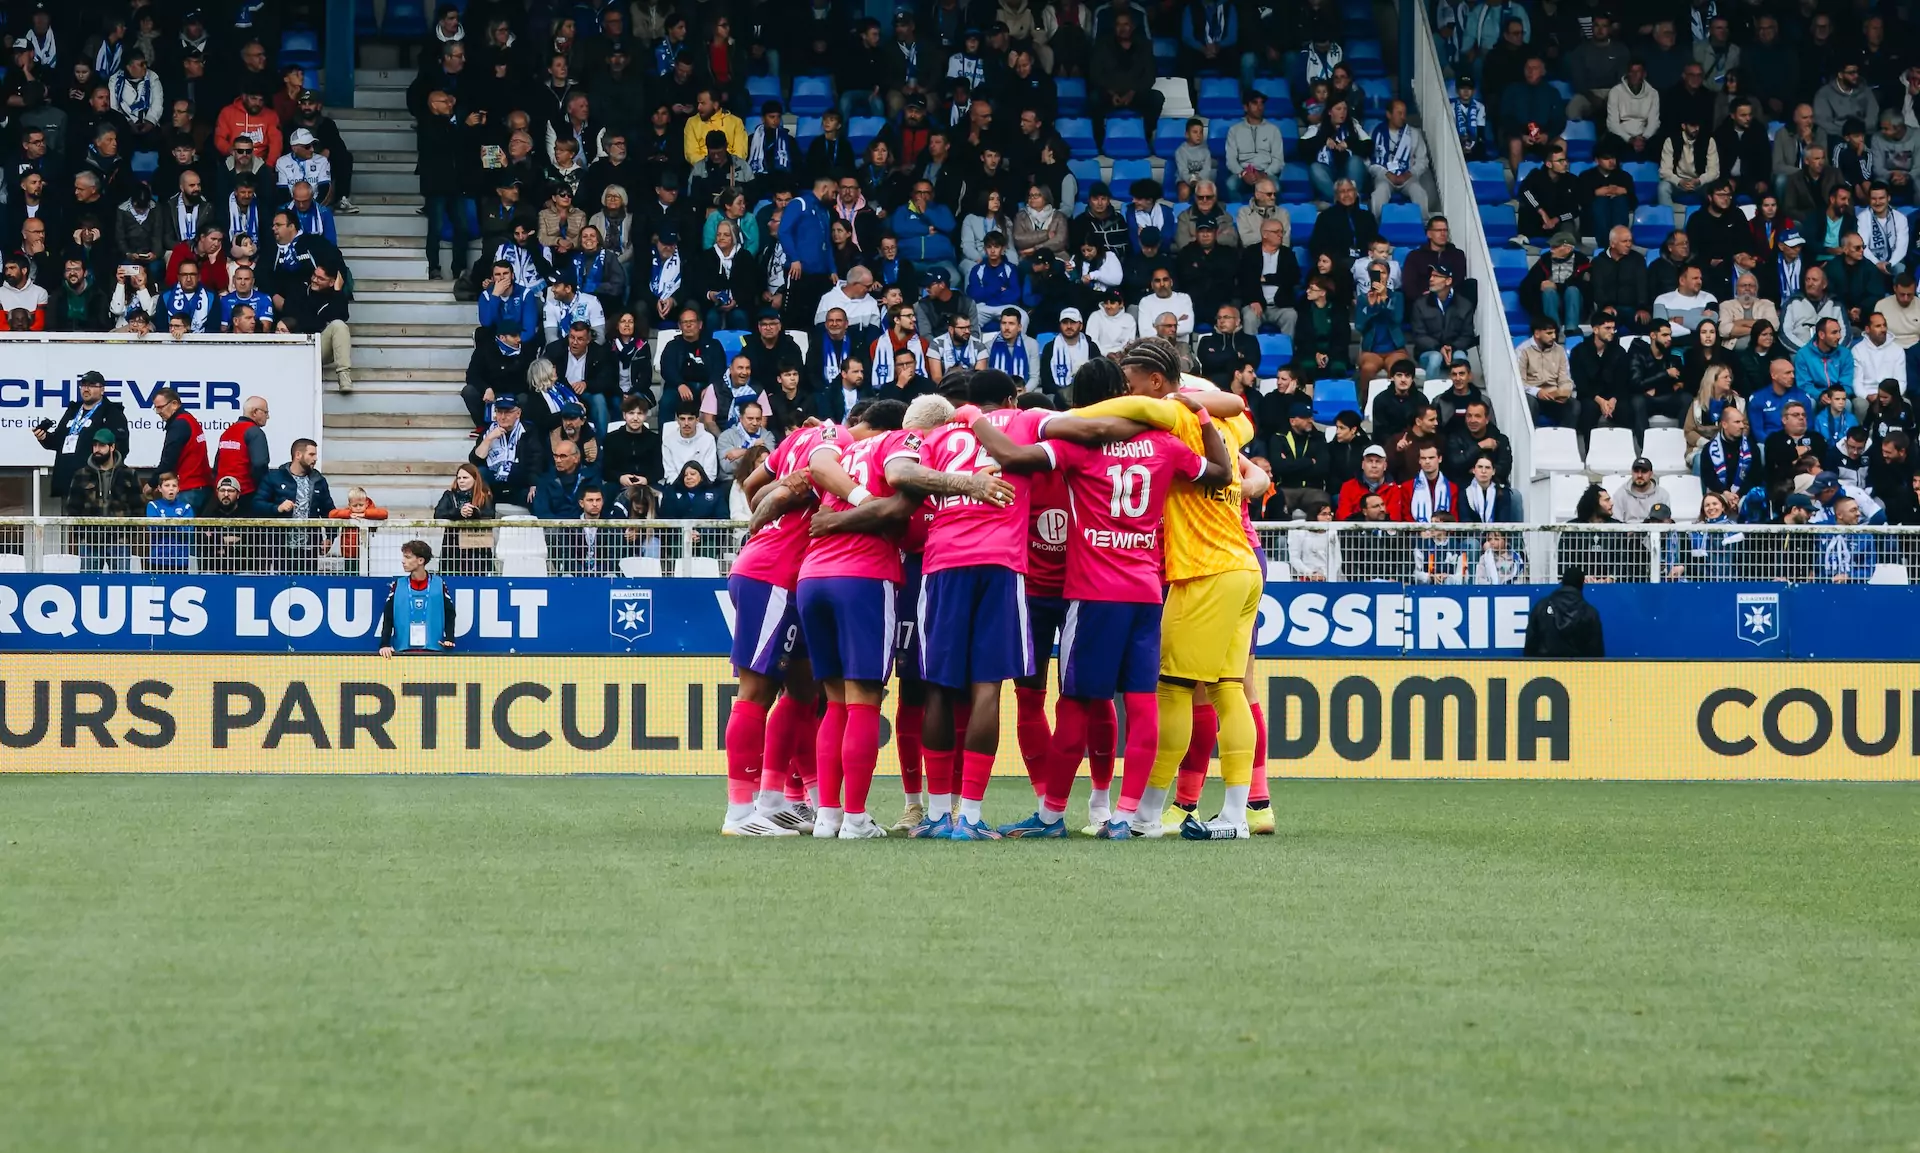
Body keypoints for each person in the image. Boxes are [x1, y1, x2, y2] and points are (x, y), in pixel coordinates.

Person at [35, 369, 129, 500]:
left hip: (94, 482)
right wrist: (44, 437)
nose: (86, 389)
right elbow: (58, 442)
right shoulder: (73, 410)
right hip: (67, 480)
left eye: (91, 385)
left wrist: (105, 473)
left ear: (102, 389)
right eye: (84, 385)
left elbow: (121, 447)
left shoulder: (112, 412)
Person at [65, 427, 142, 571]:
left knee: (121, 585)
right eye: (95, 445)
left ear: (112, 447)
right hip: (89, 540)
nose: (97, 449)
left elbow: (138, 506)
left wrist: (128, 534)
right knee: (88, 586)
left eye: (101, 445)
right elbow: (73, 507)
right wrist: (80, 535)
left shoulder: (129, 474)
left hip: (119, 540)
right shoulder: (81, 474)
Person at [377, 541, 457, 657]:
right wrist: (384, 644)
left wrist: (449, 638)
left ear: (420, 561)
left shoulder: (439, 584)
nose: (403, 561)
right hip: (403, 650)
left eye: (408, 557)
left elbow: (450, 614)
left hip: (433, 650)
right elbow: (388, 616)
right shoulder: (398, 585)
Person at [148, 386, 213, 512]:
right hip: (202, 486)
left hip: (187, 487)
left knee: (180, 531)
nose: (158, 411)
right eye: (156, 408)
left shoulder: (178, 424)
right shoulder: (189, 420)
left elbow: (169, 459)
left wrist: (152, 483)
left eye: (160, 407)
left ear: (174, 404)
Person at [1523, 568, 1606, 656]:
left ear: (1563, 582)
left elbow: (1530, 643)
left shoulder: (1541, 607)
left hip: (1545, 667)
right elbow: (1596, 650)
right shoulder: (1590, 612)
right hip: (1577, 667)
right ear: (1582, 585)